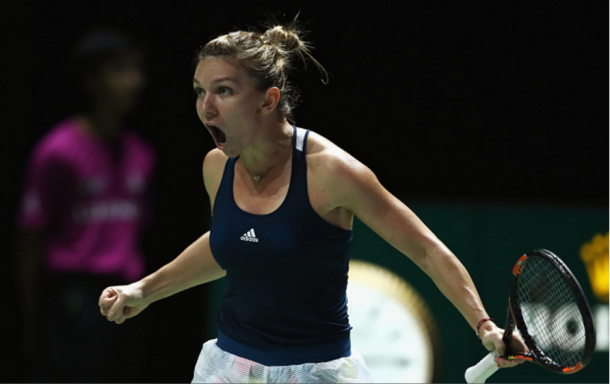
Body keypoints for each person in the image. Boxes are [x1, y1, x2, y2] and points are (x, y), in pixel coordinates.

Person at [98, 19, 526, 383]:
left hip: (316, 372)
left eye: (223, 91)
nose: (205, 107)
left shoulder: (332, 173)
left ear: (268, 100)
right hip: (227, 368)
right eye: (198, 91)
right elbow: (230, 243)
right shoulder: (216, 167)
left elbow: (427, 250)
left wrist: (484, 324)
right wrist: (144, 290)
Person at [18, 27, 155, 382]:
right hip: (75, 300)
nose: (133, 82)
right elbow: (30, 239)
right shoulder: (57, 152)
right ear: (92, 79)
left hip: (129, 294)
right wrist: (29, 321)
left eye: (136, 70)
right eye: (120, 70)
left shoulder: (141, 154)